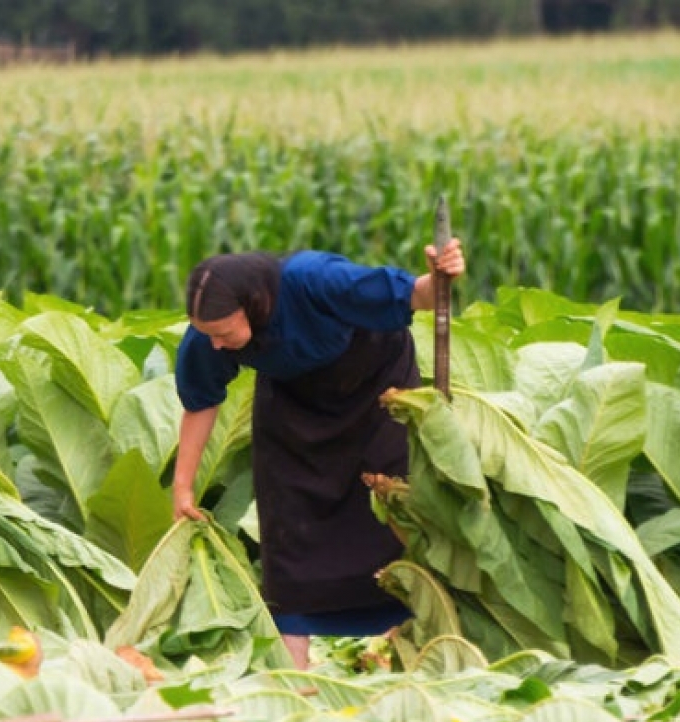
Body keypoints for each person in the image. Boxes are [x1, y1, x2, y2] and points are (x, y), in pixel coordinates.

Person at [171, 240, 465, 670]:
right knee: (288, 523)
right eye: (208, 334)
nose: (214, 344)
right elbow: (201, 399)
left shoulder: (314, 280)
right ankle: (296, 671)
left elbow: (416, 296)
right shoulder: (211, 332)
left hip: (378, 393)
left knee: (392, 510)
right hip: (294, 405)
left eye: (223, 333)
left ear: (252, 306)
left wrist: (439, 278)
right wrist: (183, 487)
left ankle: (398, 650)